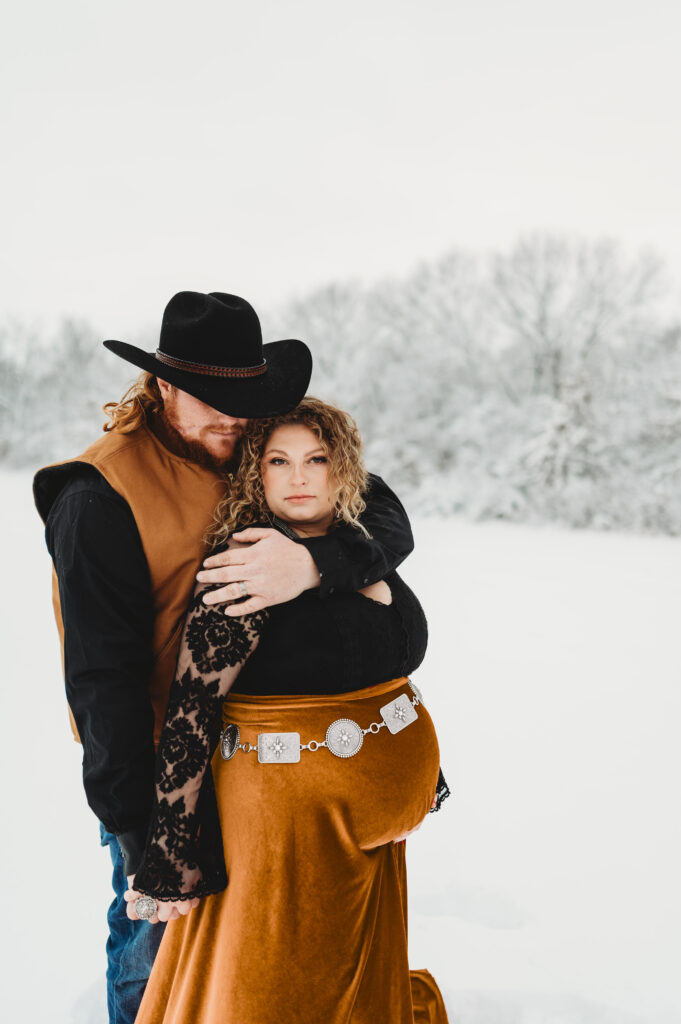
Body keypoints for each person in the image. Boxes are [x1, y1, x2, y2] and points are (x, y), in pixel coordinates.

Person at [33, 293, 416, 1024]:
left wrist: (310, 565)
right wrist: (147, 836)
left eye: (242, 399)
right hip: (154, 764)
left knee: (241, 960)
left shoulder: (256, 442)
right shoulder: (98, 497)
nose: (231, 418)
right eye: (210, 399)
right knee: (154, 949)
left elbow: (385, 517)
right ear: (163, 386)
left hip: (256, 765)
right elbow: (100, 681)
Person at [126, 397, 451, 1024]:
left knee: (350, 968)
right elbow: (191, 715)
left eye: (316, 459)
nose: (299, 477)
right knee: (273, 988)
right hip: (283, 827)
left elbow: (379, 674)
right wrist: (167, 853)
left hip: (371, 828)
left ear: (343, 468)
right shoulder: (246, 566)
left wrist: (416, 774)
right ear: (257, 471)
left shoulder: (358, 546)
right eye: (279, 461)